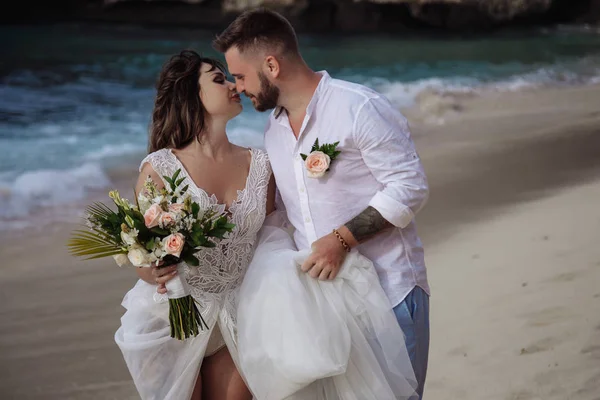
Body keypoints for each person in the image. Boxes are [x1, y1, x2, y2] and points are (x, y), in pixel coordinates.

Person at [213, 8, 431, 399]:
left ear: (272, 65)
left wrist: (342, 239)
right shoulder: (274, 130)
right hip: (326, 306)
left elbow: (408, 186)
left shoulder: (358, 107)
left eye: (241, 76)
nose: (238, 87)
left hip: (389, 290)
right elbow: (281, 214)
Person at [114, 50, 276, 400]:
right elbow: (142, 254)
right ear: (191, 94)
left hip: (239, 313)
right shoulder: (160, 168)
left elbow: (274, 240)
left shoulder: (261, 165)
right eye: (219, 80)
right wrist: (154, 272)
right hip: (174, 316)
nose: (234, 86)